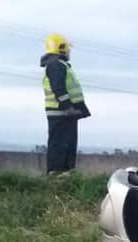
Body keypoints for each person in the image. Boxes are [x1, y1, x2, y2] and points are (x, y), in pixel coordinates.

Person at [40, 34, 90, 175]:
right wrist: (67, 105)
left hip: (66, 113)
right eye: (68, 48)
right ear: (62, 48)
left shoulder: (59, 65)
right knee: (60, 144)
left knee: (67, 144)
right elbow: (58, 88)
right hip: (62, 112)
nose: (69, 52)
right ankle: (56, 173)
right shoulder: (56, 65)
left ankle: (67, 173)